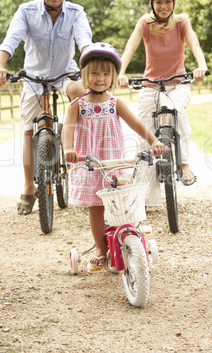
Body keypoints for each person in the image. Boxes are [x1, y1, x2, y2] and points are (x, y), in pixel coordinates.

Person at [0, 0, 93, 215]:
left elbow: (84, 41)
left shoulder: (76, 12)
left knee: (83, 95)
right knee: (28, 131)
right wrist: (0, 64)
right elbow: (12, 38)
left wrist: (91, 64)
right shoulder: (26, 11)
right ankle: (28, 187)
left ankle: (74, 151)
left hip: (64, 73)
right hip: (33, 77)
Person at [62, 43, 166, 268]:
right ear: (85, 76)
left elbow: (137, 124)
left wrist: (154, 141)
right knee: (96, 207)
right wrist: (68, 149)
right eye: (95, 73)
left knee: (123, 203)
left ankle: (130, 239)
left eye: (106, 73)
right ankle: (101, 248)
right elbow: (67, 129)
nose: (100, 78)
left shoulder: (115, 103)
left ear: (113, 77)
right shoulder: (77, 105)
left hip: (114, 163)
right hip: (91, 164)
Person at [118, 0, 208, 206]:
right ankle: (144, 197)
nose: (164, 6)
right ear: (151, 3)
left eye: (168, 2)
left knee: (176, 111)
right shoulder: (144, 23)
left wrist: (201, 65)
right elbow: (130, 47)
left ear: (174, 3)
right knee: (144, 133)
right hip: (150, 84)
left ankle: (185, 165)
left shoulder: (182, 23)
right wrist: (121, 72)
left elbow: (195, 44)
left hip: (178, 83)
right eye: (159, 2)